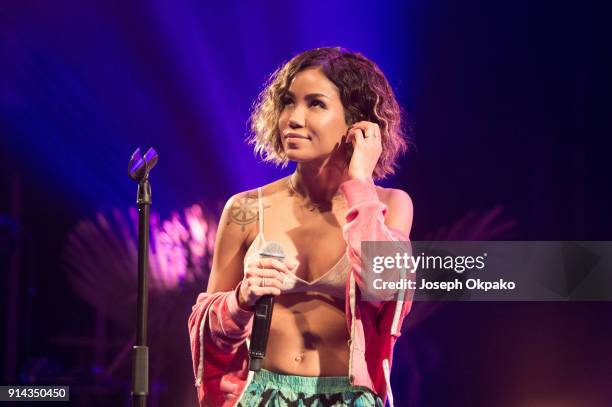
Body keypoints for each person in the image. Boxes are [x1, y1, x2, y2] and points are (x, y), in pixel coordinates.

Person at [188, 47, 414, 407]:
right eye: (288, 102)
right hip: (262, 395)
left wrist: (359, 181)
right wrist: (241, 299)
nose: (293, 118)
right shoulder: (246, 209)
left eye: (316, 104)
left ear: (358, 121)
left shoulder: (389, 205)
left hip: (351, 397)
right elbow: (206, 330)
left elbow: (383, 285)